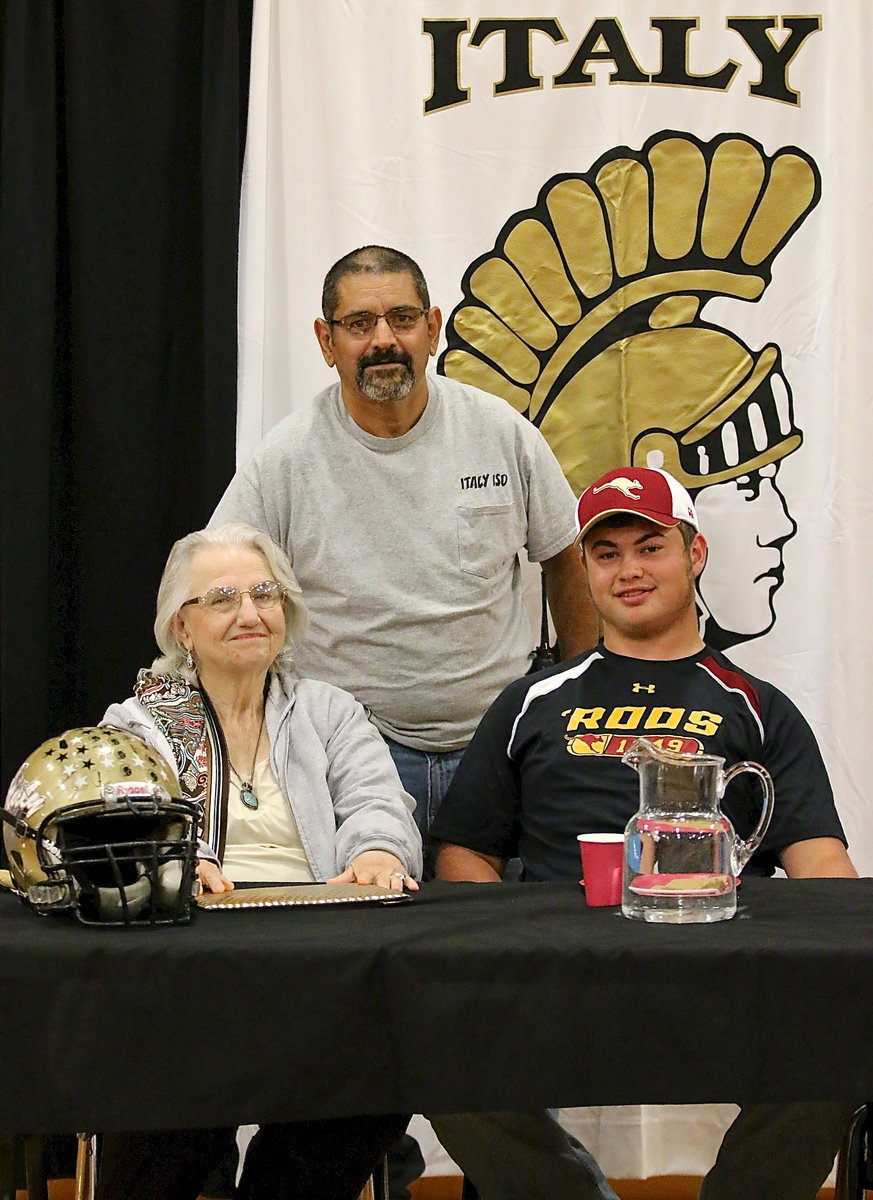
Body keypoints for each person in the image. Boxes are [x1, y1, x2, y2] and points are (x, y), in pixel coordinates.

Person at [428, 465, 858, 1200]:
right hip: (559, 965)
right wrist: (498, 941)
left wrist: (844, 963)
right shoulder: (531, 701)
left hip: (720, 964)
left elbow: (818, 855)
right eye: (605, 554)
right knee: (439, 1059)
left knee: (839, 1053)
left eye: (648, 547)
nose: (627, 571)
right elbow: (464, 850)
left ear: (694, 555)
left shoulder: (757, 706)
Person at [211, 244, 596, 848]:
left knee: (506, 935)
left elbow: (566, 559)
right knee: (370, 931)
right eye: (359, 324)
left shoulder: (502, 433)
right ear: (325, 339)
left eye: (403, 319)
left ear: (434, 328)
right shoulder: (285, 460)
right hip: (349, 754)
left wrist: (574, 697)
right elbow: (213, 577)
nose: (383, 340)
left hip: (503, 743)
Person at [96, 522, 422, 1200]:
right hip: (192, 973)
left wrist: (375, 849)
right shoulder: (138, 724)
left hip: (320, 967)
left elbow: (378, 800)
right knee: (166, 1104)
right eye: (222, 599)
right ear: (182, 627)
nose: (249, 614)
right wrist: (180, 862)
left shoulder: (327, 710)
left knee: (377, 1086)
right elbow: (126, 822)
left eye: (264, 595)